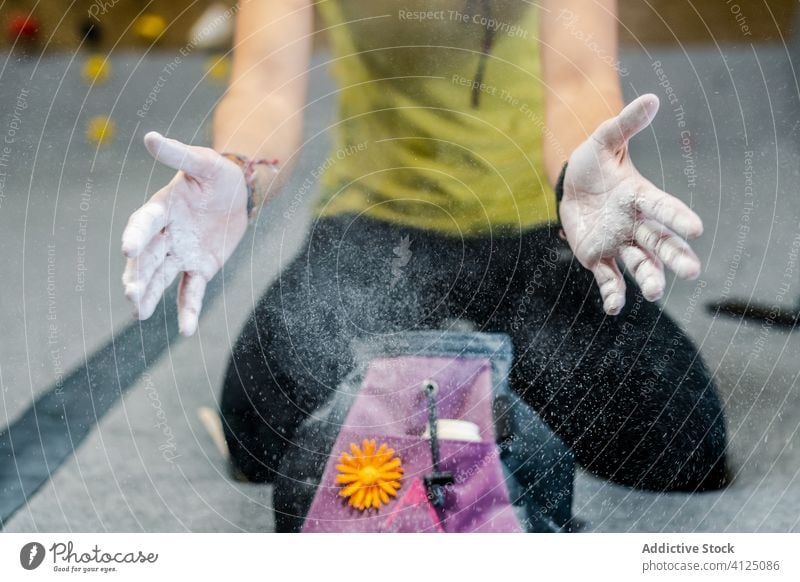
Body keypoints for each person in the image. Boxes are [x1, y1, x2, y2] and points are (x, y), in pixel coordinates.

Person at [121, 0, 727, 494]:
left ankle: (472, 368)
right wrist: (239, 174)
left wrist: (584, 174)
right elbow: (266, 83)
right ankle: (475, 368)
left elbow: (579, 75)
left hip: (531, 226)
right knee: (261, 430)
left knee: (682, 445)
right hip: (374, 222)